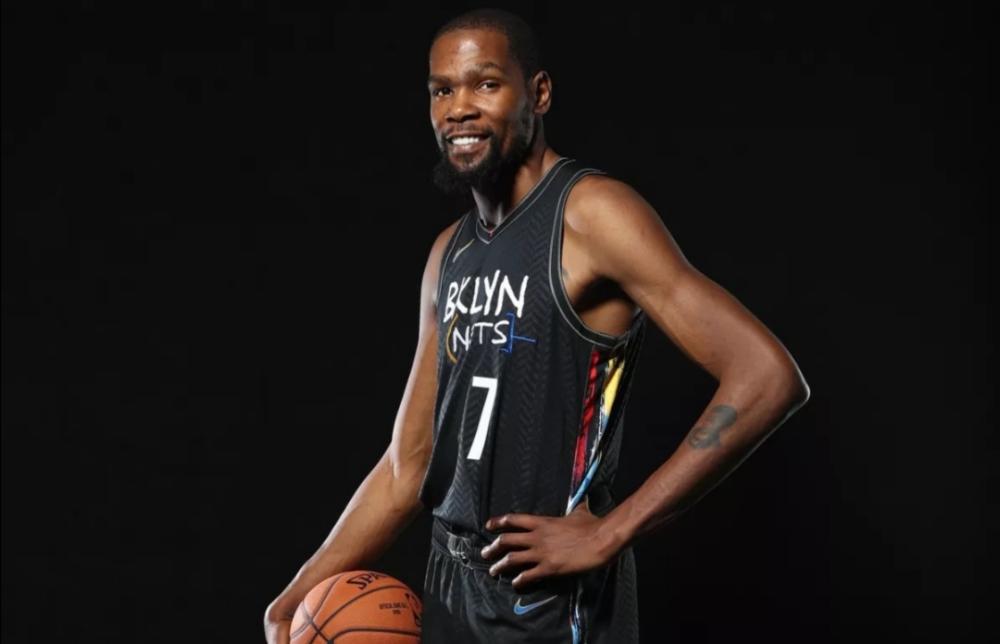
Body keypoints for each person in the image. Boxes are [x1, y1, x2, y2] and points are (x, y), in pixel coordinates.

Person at [264, 8, 810, 644]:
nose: (459, 109)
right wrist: (293, 598)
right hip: (450, 592)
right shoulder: (448, 255)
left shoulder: (591, 216)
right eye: (442, 90)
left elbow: (766, 376)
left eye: (485, 84)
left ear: (539, 93)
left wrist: (611, 531)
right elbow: (406, 467)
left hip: (551, 604)